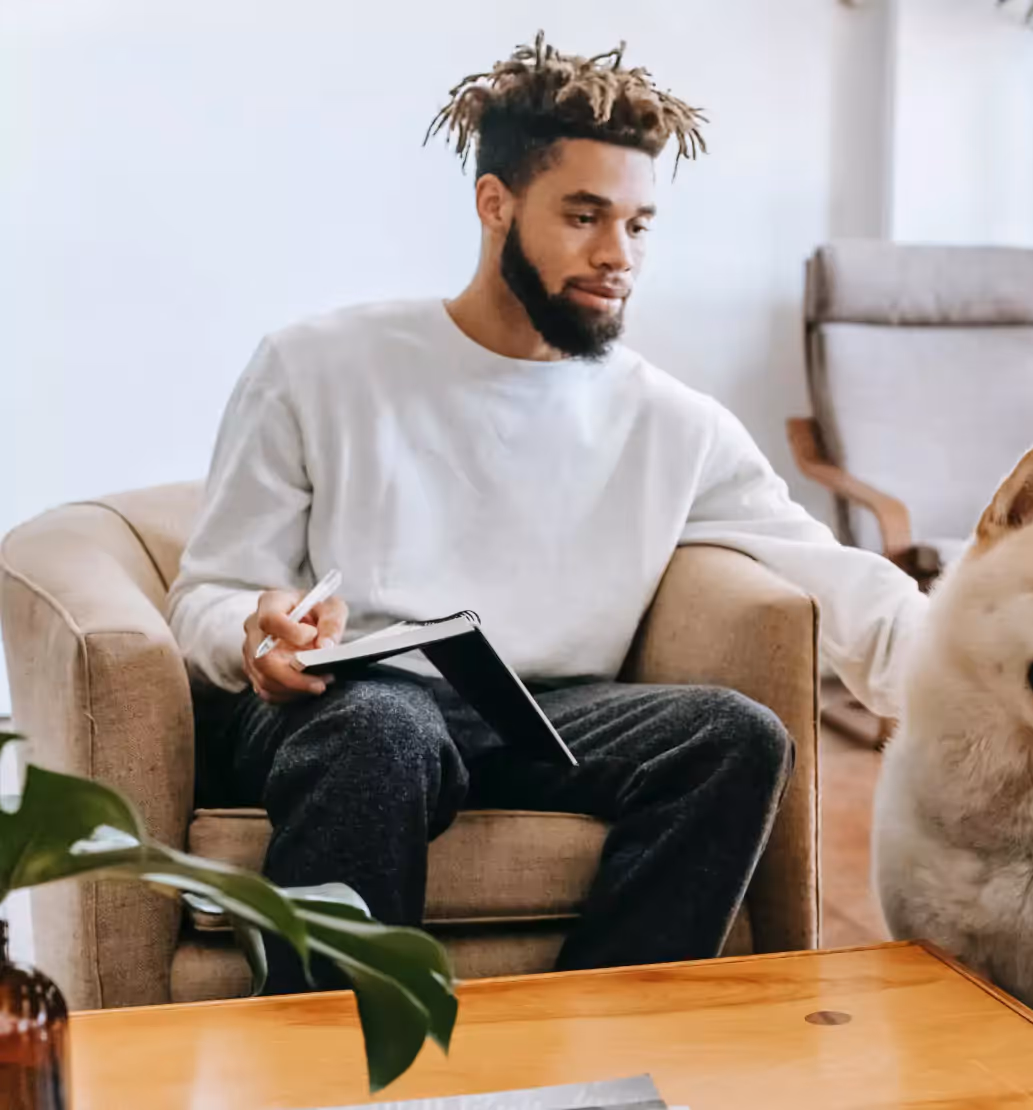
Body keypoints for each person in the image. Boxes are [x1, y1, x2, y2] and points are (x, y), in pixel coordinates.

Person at [169, 33, 925, 994]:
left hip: (548, 717)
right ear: (495, 204)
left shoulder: (672, 422)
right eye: (584, 216)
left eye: (639, 225)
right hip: (351, 705)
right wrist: (257, 632)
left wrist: (987, 676)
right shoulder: (316, 366)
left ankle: (595, 1051)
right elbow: (210, 591)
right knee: (383, 729)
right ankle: (333, 1061)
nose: (619, 256)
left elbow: (831, 572)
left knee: (737, 736)